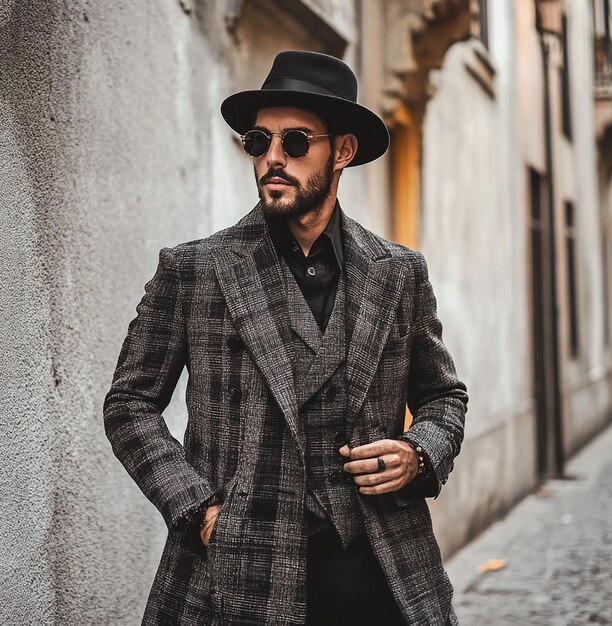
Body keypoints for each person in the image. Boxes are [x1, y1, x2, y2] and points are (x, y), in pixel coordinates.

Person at [103, 50, 468, 626]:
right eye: (258, 142)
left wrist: (418, 452)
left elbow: (444, 398)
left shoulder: (398, 273)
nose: (272, 158)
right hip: (237, 576)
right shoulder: (195, 269)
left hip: (379, 576)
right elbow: (129, 405)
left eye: (295, 142)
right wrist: (197, 509)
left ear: (342, 151)